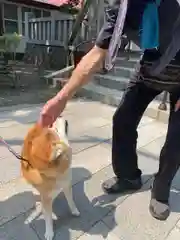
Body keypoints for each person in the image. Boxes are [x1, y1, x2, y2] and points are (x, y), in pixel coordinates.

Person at [39, 0, 180, 221]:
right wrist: (61, 97)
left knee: (177, 139)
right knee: (122, 119)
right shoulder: (123, 6)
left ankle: (161, 192)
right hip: (147, 71)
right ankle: (128, 177)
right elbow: (97, 54)